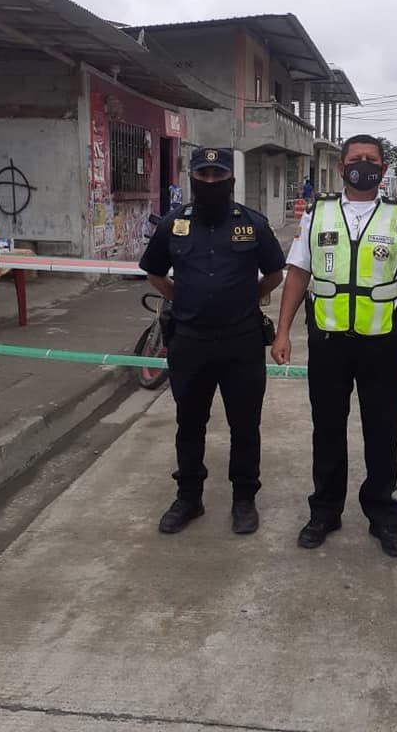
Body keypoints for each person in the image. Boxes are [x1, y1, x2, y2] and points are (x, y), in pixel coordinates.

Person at [271, 134, 397, 558]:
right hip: (328, 343)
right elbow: (298, 273)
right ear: (342, 168)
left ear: (383, 169)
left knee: (382, 432)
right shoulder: (317, 214)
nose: (364, 164)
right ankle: (325, 511)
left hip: (382, 345)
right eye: (356, 159)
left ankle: (383, 515)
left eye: (372, 159)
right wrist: (283, 330)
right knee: (327, 430)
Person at [140, 147, 286, 536]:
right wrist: (181, 299)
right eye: (202, 175)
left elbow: (275, 273)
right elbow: (154, 272)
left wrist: (248, 299)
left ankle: (244, 499)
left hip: (241, 342)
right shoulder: (173, 223)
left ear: (230, 179)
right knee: (189, 423)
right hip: (190, 341)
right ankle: (189, 498)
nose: (209, 182)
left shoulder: (252, 224)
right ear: (192, 178)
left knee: (245, 425)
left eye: (217, 175)